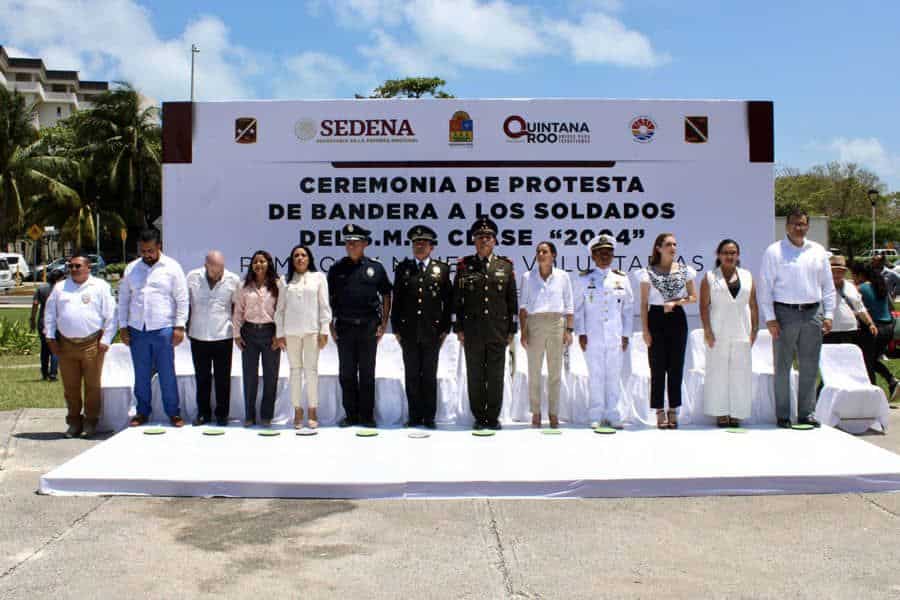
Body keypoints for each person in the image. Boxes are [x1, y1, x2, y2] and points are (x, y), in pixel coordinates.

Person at [758, 208, 835, 428]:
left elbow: (828, 286)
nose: (798, 228)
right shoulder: (774, 251)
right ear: (787, 226)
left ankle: (806, 413)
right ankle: (783, 415)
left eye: (802, 224)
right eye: (794, 224)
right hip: (784, 313)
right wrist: (770, 318)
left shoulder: (818, 251)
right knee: (782, 367)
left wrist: (828, 314)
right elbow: (766, 288)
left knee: (810, 366)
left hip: (812, 312)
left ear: (807, 226)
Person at [119, 229, 189, 427]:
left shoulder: (172, 267)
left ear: (159, 246)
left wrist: (179, 326)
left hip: (163, 328)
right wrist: (123, 327)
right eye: (143, 251)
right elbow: (124, 299)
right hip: (137, 329)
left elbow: (182, 299)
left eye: (150, 250)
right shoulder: (131, 269)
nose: (146, 254)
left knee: (167, 372)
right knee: (141, 373)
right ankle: (142, 412)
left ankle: (173, 412)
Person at [454, 217, 518, 430]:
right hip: (472, 331)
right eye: (480, 238)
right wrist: (459, 327)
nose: (484, 241)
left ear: (494, 241)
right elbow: (457, 300)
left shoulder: (505, 266)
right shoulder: (465, 266)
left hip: (497, 330)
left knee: (495, 375)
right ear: (474, 241)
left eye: (488, 237)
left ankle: (493, 416)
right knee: (475, 375)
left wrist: (512, 329)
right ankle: (479, 417)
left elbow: (512, 302)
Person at [44, 253, 116, 438]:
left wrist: (106, 339)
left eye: (78, 266)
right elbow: (50, 315)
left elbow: (111, 315)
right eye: (71, 266)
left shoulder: (100, 286)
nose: (73, 269)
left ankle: (90, 422)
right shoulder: (60, 288)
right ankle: (74, 422)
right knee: (71, 387)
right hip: (66, 345)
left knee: (92, 386)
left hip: (92, 344)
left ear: (88, 268)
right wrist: (50, 339)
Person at [328, 224, 392, 428]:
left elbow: (386, 294)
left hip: (368, 327)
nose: (351, 245)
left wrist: (384, 323)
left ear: (365, 244)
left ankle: (367, 416)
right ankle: (351, 415)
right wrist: (330, 324)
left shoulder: (376, 267)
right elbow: (328, 298)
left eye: (355, 242)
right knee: (346, 374)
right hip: (345, 328)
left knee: (367, 373)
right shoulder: (337, 269)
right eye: (348, 242)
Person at [391, 226, 452, 429]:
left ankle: (429, 417)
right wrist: (397, 329)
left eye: (424, 243)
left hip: (432, 332)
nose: (419, 246)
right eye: (416, 243)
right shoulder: (403, 269)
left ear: (431, 247)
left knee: (429, 375)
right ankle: (415, 416)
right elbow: (397, 300)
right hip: (408, 332)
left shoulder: (441, 269)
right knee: (411, 375)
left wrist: (444, 329)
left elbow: (448, 302)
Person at [573, 234, 632, 429]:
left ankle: (613, 414)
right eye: (601, 253)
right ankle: (596, 414)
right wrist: (581, 332)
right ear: (593, 256)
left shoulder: (621, 279)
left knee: (614, 375)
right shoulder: (585, 279)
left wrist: (626, 335)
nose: (605, 256)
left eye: (609, 253)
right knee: (596, 374)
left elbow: (628, 309)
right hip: (593, 335)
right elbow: (578, 308)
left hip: (615, 335)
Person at [639, 233, 697, 429]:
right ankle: (659, 410)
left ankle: (673, 408)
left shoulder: (684, 270)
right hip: (655, 317)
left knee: (676, 366)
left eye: (675, 244)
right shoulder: (648, 272)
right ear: (658, 248)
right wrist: (645, 330)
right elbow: (644, 303)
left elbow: (693, 297)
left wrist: (675, 302)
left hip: (677, 318)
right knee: (657, 367)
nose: (673, 247)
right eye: (668, 244)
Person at [699, 239, 758, 427]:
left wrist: (755, 330)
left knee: (740, 374)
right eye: (725, 252)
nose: (729, 256)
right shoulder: (709, 277)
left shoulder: (747, 276)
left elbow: (753, 306)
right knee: (718, 373)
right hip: (718, 332)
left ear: (738, 255)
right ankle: (720, 413)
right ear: (718, 255)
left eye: (733, 253)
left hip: (742, 331)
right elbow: (703, 307)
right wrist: (707, 330)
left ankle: (737, 413)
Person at [275, 244, 331, 429]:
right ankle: (297, 410)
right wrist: (280, 334)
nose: (300, 258)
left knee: (311, 371)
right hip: (291, 333)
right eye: (296, 255)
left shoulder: (318, 278)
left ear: (309, 258)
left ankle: (313, 409)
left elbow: (324, 306)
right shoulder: (285, 280)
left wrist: (324, 330)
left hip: (312, 332)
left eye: (303, 255)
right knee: (295, 371)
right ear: (292, 260)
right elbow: (280, 310)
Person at [521, 240, 574, 428]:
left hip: (556, 323)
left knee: (555, 372)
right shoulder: (528, 277)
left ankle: (553, 413)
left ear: (553, 255)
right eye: (538, 251)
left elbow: (569, 305)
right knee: (534, 370)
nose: (540, 254)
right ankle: (536, 412)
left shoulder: (563, 277)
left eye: (544, 251)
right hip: (534, 323)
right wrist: (524, 331)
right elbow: (523, 306)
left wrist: (568, 330)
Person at [186, 250, 241, 426]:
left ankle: (222, 414)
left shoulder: (233, 280)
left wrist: (235, 330)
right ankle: (203, 413)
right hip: (198, 335)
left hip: (222, 335)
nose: (218, 273)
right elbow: (186, 304)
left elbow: (236, 308)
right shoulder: (192, 277)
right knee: (202, 377)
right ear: (206, 266)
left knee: (222, 377)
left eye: (221, 269)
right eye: (214, 270)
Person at [233, 250, 282, 427]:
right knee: (249, 376)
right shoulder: (243, 286)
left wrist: (279, 335)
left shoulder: (278, 285)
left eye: (262, 261)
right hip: (249, 334)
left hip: (271, 334)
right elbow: (238, 311)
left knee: (271, 376)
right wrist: (237, 335)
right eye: (255, 262)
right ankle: (249, 415)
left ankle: (266, 415)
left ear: (268, 263)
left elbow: (282, 312)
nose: (258, 265)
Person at [851, 262, 899, 402]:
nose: (852, 278)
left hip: (873, 329)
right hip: (888, 328)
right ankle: (892, 381)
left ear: (859, 275)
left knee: (867, 362)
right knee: (871, 360)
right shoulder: (879, 286)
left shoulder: (860, 289)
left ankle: (873, 396)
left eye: (853, 275)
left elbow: (857, 310)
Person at [824, 255, 876, 346]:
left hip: (849, 330)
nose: (836, 275)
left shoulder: (851, 287)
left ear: (844, 272)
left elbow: (860, 308)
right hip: (827, 331)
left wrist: (870, 323)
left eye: (839, 272)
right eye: (833, 272)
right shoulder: (820, 286)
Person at [30, 268, 64, 381]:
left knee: (45, 347)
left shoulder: (41, 289)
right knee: (55, 347)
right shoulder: (62, 289)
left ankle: (44, 373)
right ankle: (53, 374)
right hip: (58, 321)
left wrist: (32, 319)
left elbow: (35, 304)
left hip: (43, 321)